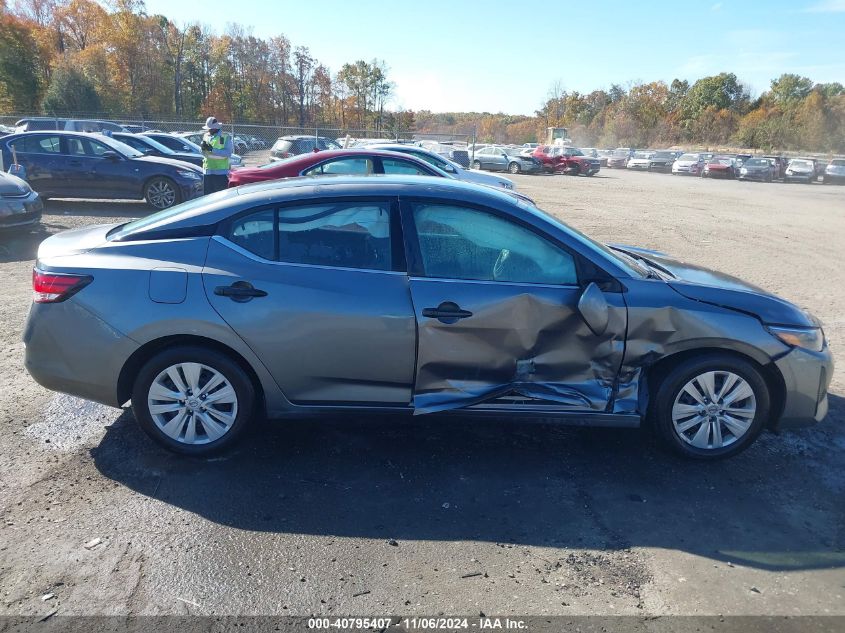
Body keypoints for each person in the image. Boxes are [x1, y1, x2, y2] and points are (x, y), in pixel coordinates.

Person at [200, 116, 233, 194]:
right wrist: (201, 148)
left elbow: (228, 153)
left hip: (220, 173)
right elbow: (204, 153)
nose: (208, 130)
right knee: (207, 197)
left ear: (215, 128)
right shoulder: (206, 136)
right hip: (208, 171)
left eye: (210, 129)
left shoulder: (225, 137)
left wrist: (212, 149)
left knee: (221, 198)